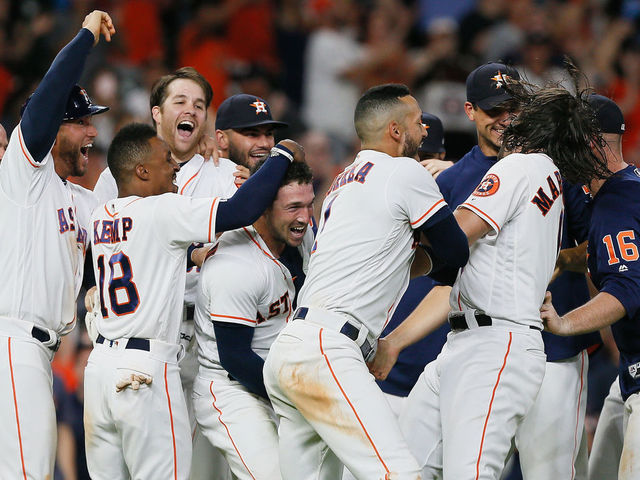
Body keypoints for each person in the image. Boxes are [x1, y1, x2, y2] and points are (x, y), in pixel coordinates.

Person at [371, 63, 601, 479]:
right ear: (472, 111)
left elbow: (456, 236)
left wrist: (413, 195)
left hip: (502, 342)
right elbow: (450, 269)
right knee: (407, 465)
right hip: (470, 340)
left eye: (516, 110)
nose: (507, 119)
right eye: (497, 110)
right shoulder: (543, 168)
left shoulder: (517, 168)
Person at [264, 83, 469, 480]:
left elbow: (388, 257)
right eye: (416, 122)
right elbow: (456, 251)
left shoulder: (344, 180)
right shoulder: (404, 171)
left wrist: (413, 258)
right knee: (399, 473)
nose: (424, 130)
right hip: (329, 350)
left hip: (293, 347)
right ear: (395, 130)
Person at [84, 122, 305, 479]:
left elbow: (143, 255)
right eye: (166, 159)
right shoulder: (162, 209)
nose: (176, 166)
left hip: (99, 370)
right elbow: (239, 211)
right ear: (142, 171)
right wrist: (283, 154)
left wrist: (189, 256)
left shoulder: (101, 215)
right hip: (146, 371)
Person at [0, 10, 114, 479]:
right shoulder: (25, 174)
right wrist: (86, 35)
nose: (92, 132)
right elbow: (45, 100)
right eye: (81, 122)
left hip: (37, 353)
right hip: (14, 342)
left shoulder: (79, 198)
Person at [193, 160, 314, 480]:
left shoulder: (297, 237)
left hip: (276, 379)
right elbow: (235, 358)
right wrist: (297, 396)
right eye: (293, 207)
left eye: (309, 205)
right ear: (262, 208)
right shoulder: (235, 264)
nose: (304, 217)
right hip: (233, 389)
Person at [542, 94, 638, 480]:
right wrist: (566, 260)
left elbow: (626, 289)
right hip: (629, 372)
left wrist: (564, 323)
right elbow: (603, 251)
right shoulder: (608, 190)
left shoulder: (618, 201)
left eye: (571, 140)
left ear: (594, 144)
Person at [93, 66, 240, 204]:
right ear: (158, 114)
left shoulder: (228, 174)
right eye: (180, 102)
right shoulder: (118, 173)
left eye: (199, 106)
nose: (191, 110)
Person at [214, 93, 288, 169]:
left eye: (269, 134)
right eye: (252, 134)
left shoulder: (280, 176)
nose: (265, 144)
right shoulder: (205, 177)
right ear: (222, 139)